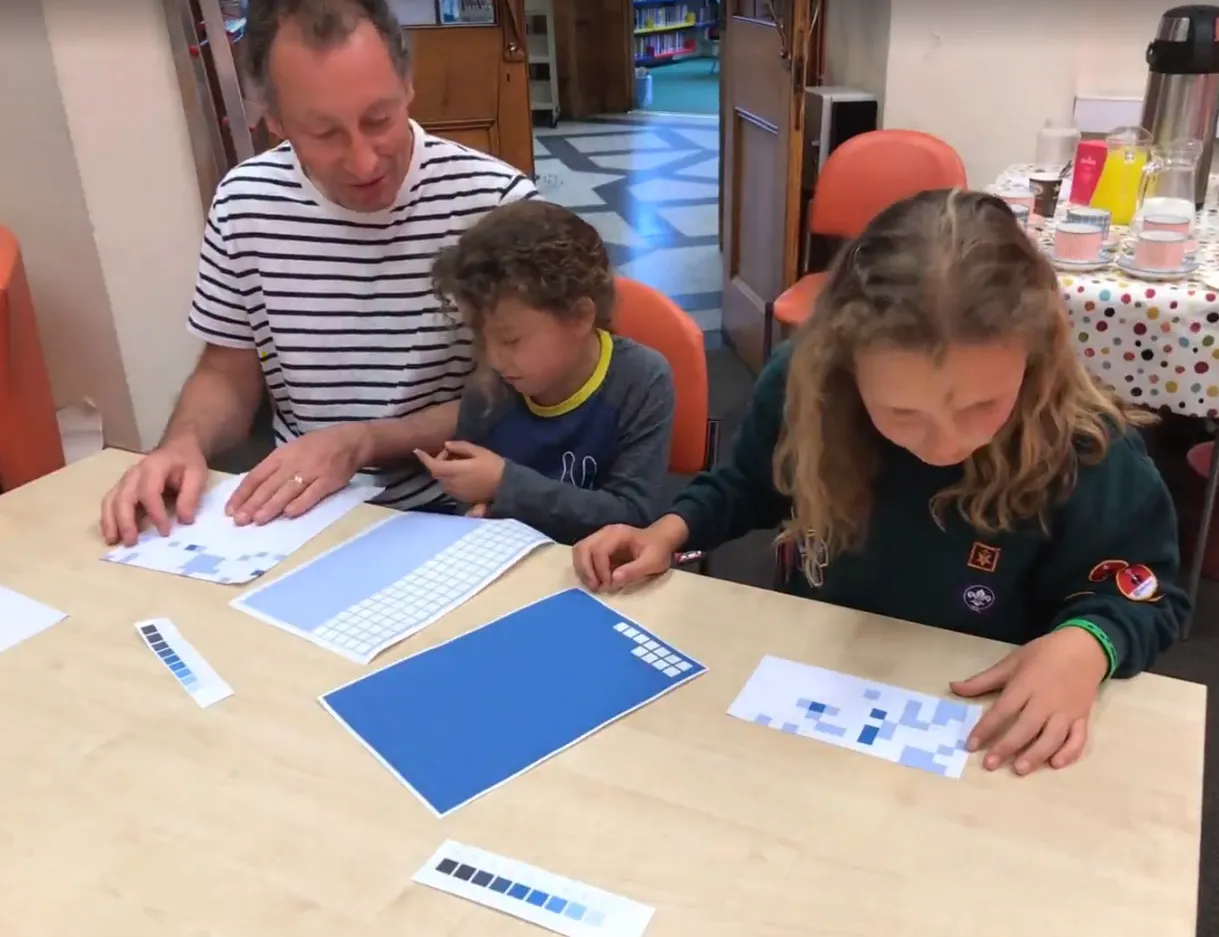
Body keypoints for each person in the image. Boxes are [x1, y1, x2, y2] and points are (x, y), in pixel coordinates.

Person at [573, 189, 1188, 776]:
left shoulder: (1086, 447)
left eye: (981, 406)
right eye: (901, 414)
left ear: (1034, 357)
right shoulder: (805, 389)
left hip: (975, 722)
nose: (945, 441)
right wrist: (671, 529)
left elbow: (1146, 590)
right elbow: (749, 484)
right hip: (820, 680)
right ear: (846, 369)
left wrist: (1088, 645)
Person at [99, 0, 537, 547]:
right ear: (275, 121)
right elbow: (228, 372)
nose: (364, 162)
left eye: (379, 120)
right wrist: (182, 442)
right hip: (295, 514)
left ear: (408, 87)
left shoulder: (497, 204)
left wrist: (365, 442)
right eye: (324, 134)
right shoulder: (245, 202)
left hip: (461, 510)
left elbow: (527, 391)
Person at [418, 200, 675, 544]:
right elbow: (473, 502)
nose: (494, 358)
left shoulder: (641, 381)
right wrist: (473, 505)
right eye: (480, 337)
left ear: (580, 317)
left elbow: (633, 516)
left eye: (511, 340)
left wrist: (505, 484)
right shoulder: (490, 388)